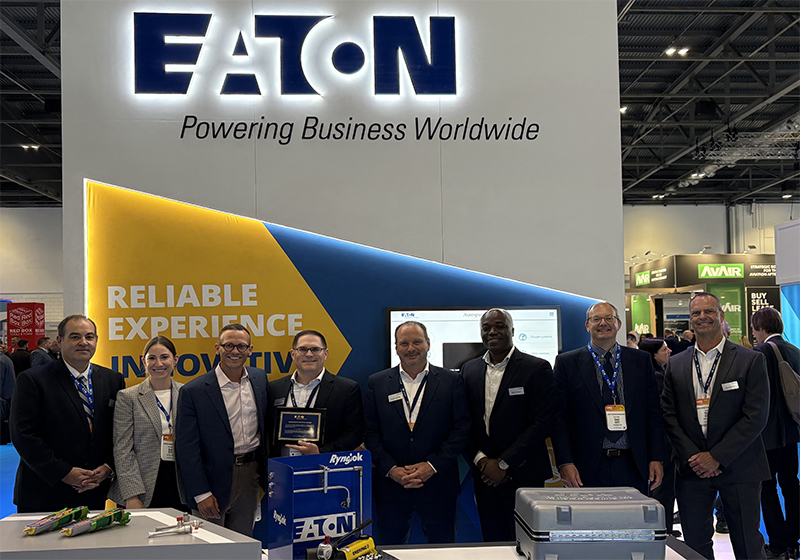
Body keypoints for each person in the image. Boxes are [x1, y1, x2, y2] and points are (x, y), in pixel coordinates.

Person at [661, 292, 769, 560]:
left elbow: (756, 415)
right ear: (690, 319)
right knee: (695, 545)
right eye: (696, 313)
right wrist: (695, 457)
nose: (702, 317)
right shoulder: (676, 363)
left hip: (740, 466)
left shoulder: (750, 360)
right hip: (692, 469)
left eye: (709, 311)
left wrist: (717, 457)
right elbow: (668, 414)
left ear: (721, 316)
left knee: (748, 544)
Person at [363, 321, 470, 545]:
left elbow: (461, 429)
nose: (411, 348)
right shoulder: (377, 382)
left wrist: (431, 466)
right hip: (392, 485)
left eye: (417, 342)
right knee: (390, 548)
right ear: (396, 347)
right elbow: (370, 431)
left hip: (438, 484)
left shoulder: (452, 380)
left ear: (428, 343)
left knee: (442, 548)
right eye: (404, 343)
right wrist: (391, 469)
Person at [10, 315, 125, 512]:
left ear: (96, 341)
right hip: (45, 492)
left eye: (89, 337)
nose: (83, 342)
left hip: (94, 490)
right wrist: (64, 472)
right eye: (75, 337)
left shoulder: (113, 380)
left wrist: (108, 467)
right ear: (60, 340)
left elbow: (118, 432)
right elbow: (24, 435)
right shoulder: (33, 379)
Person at [461, 309, 557, 542]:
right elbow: (463, 422)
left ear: (512, 330)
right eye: (486, 328)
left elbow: (543, 422)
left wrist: (503, 463)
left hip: (525, 474)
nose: (492, 332)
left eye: (500, 326)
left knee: (527, 543)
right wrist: (482, 461)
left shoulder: (537, 368)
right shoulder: (469, 370)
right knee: (493, 543)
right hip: (485, 477)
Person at [553, 302, 664, 495]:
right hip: (586, 466)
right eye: (596, 319)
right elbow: (558, 418)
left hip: (633, 464)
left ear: (618, 324)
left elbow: (653, 412)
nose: (603, 323)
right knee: (589, 515)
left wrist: (656, 458)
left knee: (633, 515)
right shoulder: (567, 363)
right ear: (587, 326)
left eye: (609, 318)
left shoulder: (641, 360)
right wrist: (565, 462)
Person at [175, 323, 268, 536]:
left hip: (250, 475)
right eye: (228, 345)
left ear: (250, 350)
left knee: (243, 542)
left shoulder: (259, 380)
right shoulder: (193, 391)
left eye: (241, 346)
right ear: (217, 348)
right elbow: (187, 448)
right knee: (209, 545)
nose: (235, 351)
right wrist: (201, 493)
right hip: (211, 481)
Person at [109, 336, 185, 511]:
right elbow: (122, 449)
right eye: (152, 358)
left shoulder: (187, 393)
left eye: (164, 357)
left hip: (180, 486)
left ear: (175, 359)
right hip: (141, 487)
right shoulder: (128, 397)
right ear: (144, 362)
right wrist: (132, 495)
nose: (158, 363)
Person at [751, 308, 799, 560]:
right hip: (792, 432)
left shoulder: (760, 353)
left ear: (760, 327)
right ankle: (793, 540)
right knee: (791, 485)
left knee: (767, 490)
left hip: (767, 435)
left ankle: (778, 545)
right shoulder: (795, 350)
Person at [268, 330, 363, 456]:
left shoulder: (346, 389)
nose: (309, 354)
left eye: (315, 349)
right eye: (302, 349)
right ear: (293, 354)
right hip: (281, 465)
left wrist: (321, 452)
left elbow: (355, 434)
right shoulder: (275, 388)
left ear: (326, 354)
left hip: (323, 465)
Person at [639, 338, 679, 537]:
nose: (669, 351)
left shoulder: (654, 374)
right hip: (663, 444)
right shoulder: (657, 377)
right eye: (664, 349)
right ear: (654, 355)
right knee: (663, 491)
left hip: (659, 444)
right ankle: (664, 533)